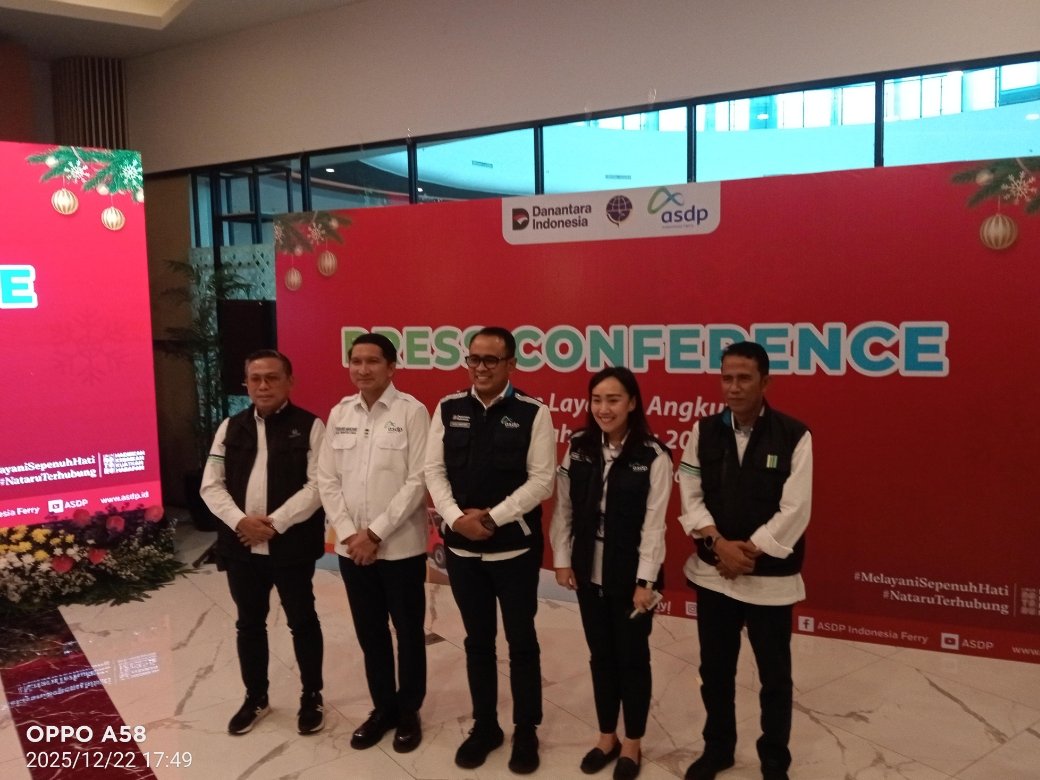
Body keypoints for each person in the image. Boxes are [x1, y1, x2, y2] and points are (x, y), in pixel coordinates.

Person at [677, 341, 812, 780]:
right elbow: (690, 494)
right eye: (726, 378)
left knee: (774, 676)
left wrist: (745, 551)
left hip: (768, 580)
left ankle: (774, 758)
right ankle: (718, 749)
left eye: (743, 379)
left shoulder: (794, 435)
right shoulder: (703, 431)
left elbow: (796, 510)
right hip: (714, 574)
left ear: (765, 382)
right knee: (715, 670)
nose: (733, 387)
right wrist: (720, 545)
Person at [425, 326, 556, 775]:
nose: (480, 368)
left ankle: (526, 729)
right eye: (474, 359)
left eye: (491, 360)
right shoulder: (449, 408)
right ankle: (485, 727)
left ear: (511, 364)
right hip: (463, 552)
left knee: (521, 642)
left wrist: (493, 518)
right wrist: (454, 517)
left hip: (514, 552)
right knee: (477, 641)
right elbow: (433, 470)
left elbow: (542, 481)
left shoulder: (533, 412)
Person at [550, 367, 672, 780]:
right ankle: (607, 737)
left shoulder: (653, 455)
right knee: (601, 656)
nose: (604, 408)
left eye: (614, 400)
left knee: (633, 659)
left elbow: (655, 526)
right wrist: (563, 559)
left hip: (632, 577)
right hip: (588, 571)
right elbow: (564, 508)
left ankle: (632, 742)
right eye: (597, 400)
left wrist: (645, 582)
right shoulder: (579, 446)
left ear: (632, 403)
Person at [200, 349, 326, 736]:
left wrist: (274, 524)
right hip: (241, 546)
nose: (263, 386)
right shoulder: (230, 427)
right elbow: (211, 485)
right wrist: (241, 522)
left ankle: (312, 696)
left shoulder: (311, 426)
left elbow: (318, 486)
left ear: (290, 382)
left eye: (272, 378)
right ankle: (256, 697)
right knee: (249, 624)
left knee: (302, 621)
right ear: (247, 384)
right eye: (255, 379)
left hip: (291, 546)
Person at [317, 333, 430, 753]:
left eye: (372, 361)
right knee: (370, 632)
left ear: (391, 366)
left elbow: (418, 480)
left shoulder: (412, 412)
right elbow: (327, 479)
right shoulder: (340, 412)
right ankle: (383, 708)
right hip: (353, 549)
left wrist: (376, 533)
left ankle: (409, 710)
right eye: (356, 361)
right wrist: (351, 534)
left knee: (409, 632)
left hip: (400, 548)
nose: (362, 369)